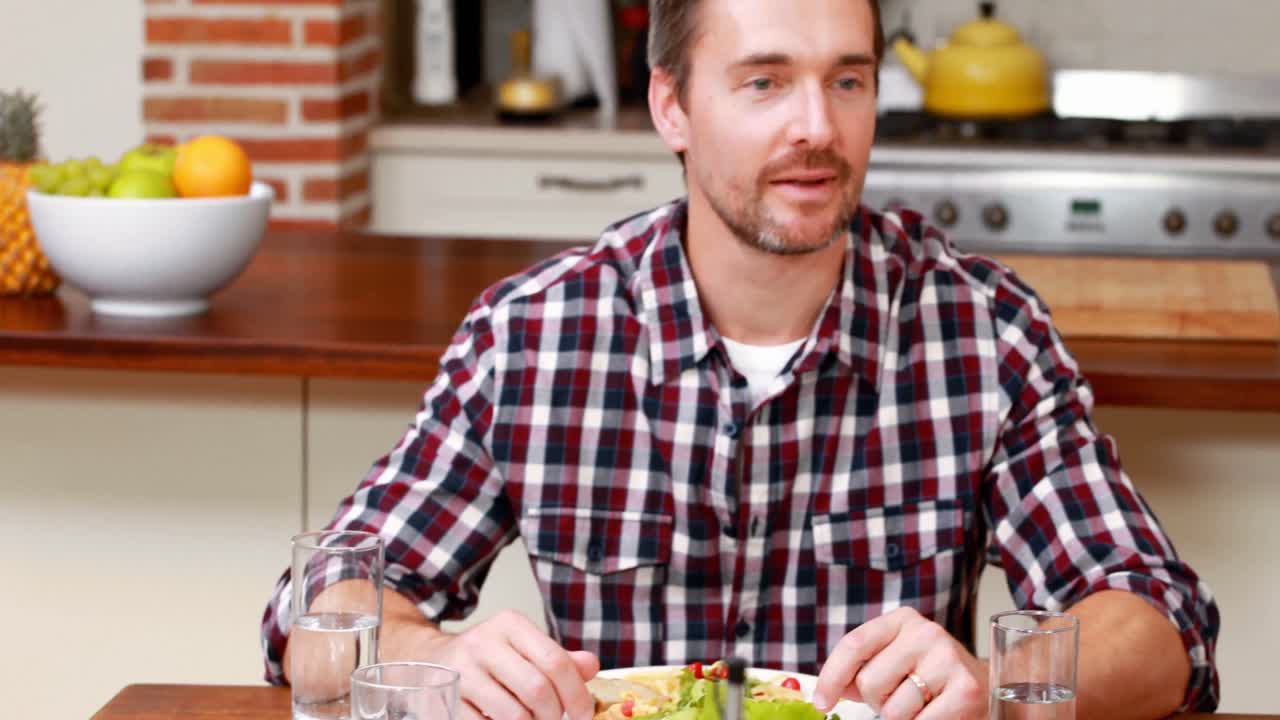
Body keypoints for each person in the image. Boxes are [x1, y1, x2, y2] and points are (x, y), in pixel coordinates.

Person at [261, 1, 1219, 718]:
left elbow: (1161, 625)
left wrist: (994, 678)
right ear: (671, 107)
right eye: (764, 82)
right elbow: (311, 625)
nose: (816, 127)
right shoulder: (536, 335)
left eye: (848, 80)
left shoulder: (979, 329)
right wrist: (437, 659)